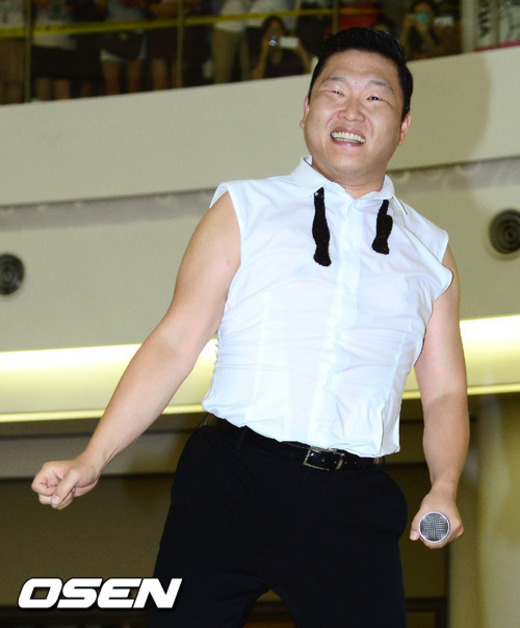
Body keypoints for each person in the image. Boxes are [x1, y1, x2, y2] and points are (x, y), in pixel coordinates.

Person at [32, 27, 469, 627]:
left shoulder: (431, 251)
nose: (351, 111)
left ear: (403, 126)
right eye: (334, 92)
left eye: (375, 97)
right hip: (231, 480)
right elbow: (176, 342)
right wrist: (94, 455)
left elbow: (445, 393)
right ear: (306, 109)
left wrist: (444, 485)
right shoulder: (242, 209)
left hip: (353, 497)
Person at [251, 14, 310, 80]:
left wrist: (301, 51)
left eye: (278, 31)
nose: (276, 36)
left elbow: (309, 73)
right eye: (272, 32)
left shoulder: (292, 57)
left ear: (283, 33)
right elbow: (255, 79)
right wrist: (264, 54)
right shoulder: (259, 58)